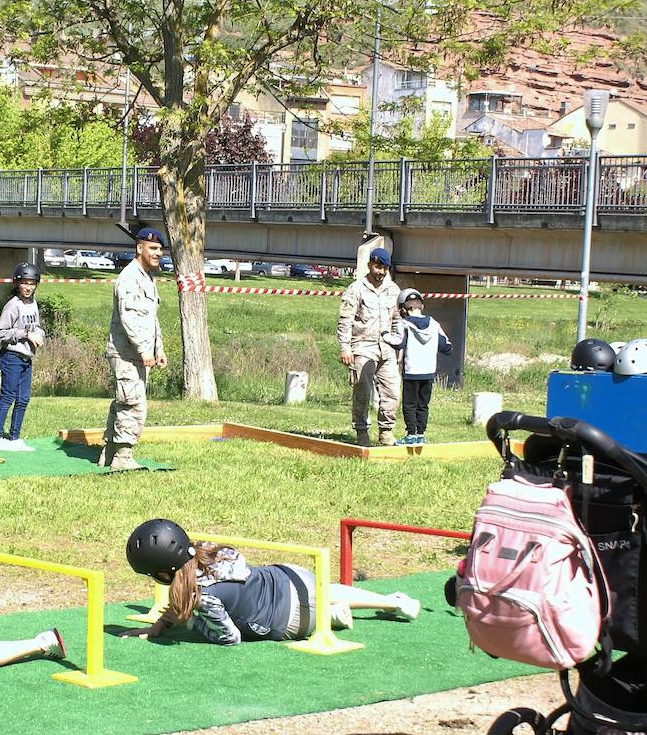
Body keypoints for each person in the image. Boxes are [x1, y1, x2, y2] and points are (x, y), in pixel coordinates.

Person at [119, 519, 420, 645]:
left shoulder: (204, 597)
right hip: (291, 577)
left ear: (163, 575)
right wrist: (160, 625)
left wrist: (189, 623)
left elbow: (229, 637)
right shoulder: (207, 551)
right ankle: (392, 602)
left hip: (288, 620)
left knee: (310, 610)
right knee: (324, 590)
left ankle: (330, 617)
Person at [100, 227, 167, 470]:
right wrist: (143, 350)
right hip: (127, 353)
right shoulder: (129, 278)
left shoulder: (147, 277)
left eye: (160, 249)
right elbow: (129, 318)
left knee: (124, 400)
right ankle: (123, 456)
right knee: (132, 403)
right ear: (139, 248)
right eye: (153, 248)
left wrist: (159, 348)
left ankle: (109, 452)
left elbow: (150, 318)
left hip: (137, 353)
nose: (158, 253)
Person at [338, 247, 402, 447]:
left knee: (392, 392)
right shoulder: (356, 289)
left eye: (384, 268)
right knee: (362, 392)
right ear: (370, 265)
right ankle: (361, 432)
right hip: (363, 346)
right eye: (377, 267)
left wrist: (398, 345)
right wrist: (345, 347)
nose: (380, 272)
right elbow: (345, 320)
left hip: (387, 349)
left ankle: (386, 431)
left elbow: (398, 320)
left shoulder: (393, 290)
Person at [384, 288, 452, 446]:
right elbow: (447, 347)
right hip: (428, 372)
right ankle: (421, 434)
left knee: (409, 404)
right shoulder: (434, 324)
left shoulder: (404, 324)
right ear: (422, 306)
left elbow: (398, 343)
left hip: (411, 371)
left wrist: (384, 334)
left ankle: (411, 434)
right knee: (423, 404)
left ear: (403, 309)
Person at [0, 262, 44, 451]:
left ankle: (14, 438)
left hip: (26, 358)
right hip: (11, 357)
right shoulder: (13, 305)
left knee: (23, 399)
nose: (28, 287)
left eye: (32, 283)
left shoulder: (33, 303)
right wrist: (25, 334)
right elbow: (1, 332)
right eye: (25, 283)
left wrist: (39, 335)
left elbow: (36, 326)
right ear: (17, 283)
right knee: (8, 397)